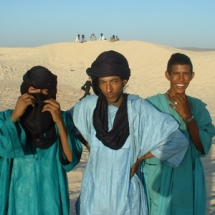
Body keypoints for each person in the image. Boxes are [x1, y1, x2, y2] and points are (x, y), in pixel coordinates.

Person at [67, 50, 189, 215]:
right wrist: (88, 143)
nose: (108, 88)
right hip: (95, 191)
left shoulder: (138, 108)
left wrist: (140, 158)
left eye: (114, 81)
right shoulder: (88, 106)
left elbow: (178, 140)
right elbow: (68, 123)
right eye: (103, 82)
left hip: (125, 192)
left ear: (124, 80)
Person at [139, 53, 215, 215]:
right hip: (157, 175)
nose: (181, 79)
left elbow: (203, 148)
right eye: (176, 74)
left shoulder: (198, 108)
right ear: (168, 75)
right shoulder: (151, 105)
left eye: (186, 74)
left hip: (187, 176)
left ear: (192, 76)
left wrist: (189, 117)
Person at [0, 66, 82, 214]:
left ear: (51, 93)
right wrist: (15, 116)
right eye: (33, 89)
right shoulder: (6, 118)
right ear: (25, 91)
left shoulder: (62, 119)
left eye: (44, 90)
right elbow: (3, 150)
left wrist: (59, 123)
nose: (39, 94)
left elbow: (70, 160)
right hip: (18, 199)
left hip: (50, 198)